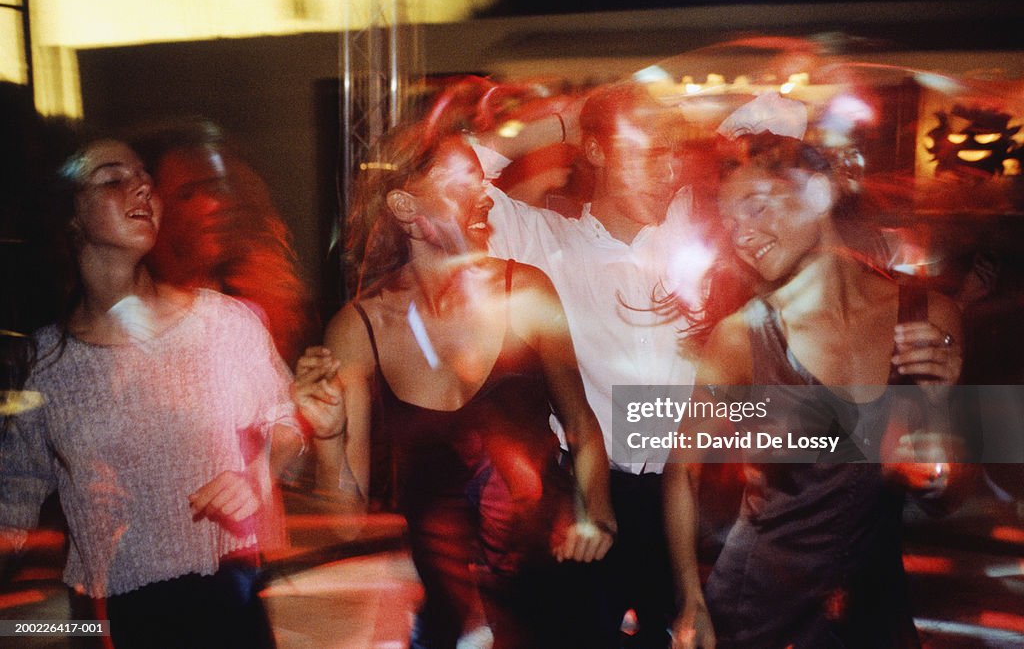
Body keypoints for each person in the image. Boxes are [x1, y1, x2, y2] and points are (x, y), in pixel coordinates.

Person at [292, 122, 616, 648]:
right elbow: (346, 525)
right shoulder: (359, 328)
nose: (484, 193)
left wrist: (595, 514)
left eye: (481, 178)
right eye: (461, 181)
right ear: (403, 207)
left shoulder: (525, 290)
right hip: (450, 610)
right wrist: (327, 437)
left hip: (552, 585)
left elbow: (581, 424)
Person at [663, 114, 965, 649]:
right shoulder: (742, 338)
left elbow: (946, 497)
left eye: (755, 206)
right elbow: (681, 474)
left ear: (820, 193)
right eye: (729, 222)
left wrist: (940, 413)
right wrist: (690, 599)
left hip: (873, 609)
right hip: (759, 609)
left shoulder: (929, 319)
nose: (742, 235)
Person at [0, 138, 304, 648]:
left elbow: (287, 419)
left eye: (144, 176)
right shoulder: (46, 363)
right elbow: (16, 493)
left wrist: (258, 472)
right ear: (70, 216)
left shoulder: (221, 323)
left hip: (226, 598)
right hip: (109, 613)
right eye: (113, 178)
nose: (142, 186)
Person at [474, 80, 705, 648]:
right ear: (597, 151)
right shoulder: (542, 240)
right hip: (587, 499)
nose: (669, 170)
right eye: (650, 153)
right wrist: (562, 122)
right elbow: (454, 176)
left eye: (673, 154)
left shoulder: (695, 232)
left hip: (695, 501)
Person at [130, 117, 315, 369]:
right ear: (150, 206)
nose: (213, 205)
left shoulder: (267, 303)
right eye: (187, 195)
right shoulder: (133, 319)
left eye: (217, 189)